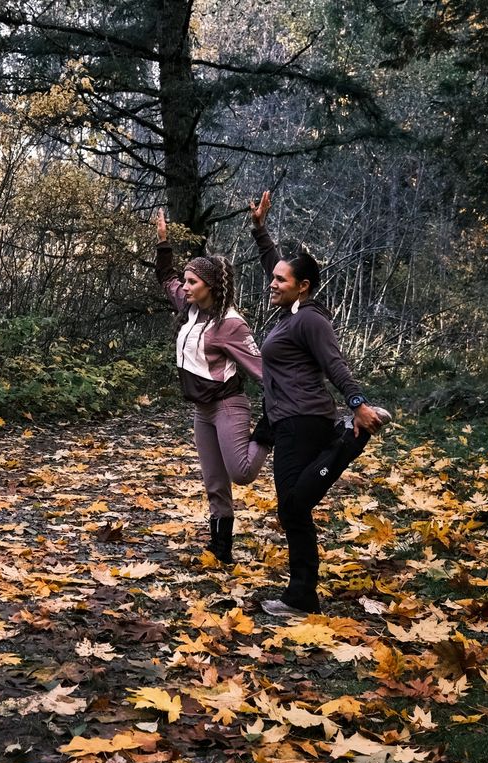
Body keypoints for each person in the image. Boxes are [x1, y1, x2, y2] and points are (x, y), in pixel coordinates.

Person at [249, 190, 392, 618]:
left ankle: (348, 442)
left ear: (303, 286)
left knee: (294, 506)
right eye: (273, 278)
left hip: (304, 420)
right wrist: (260, 231)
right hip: (289, 421)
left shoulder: (310, 319)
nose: (271, 283)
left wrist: (358, 404)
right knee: (294, 508)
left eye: (280, 280)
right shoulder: (291, 312)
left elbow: (335, 364)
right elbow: (274, 265)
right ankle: (301, 594)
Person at [151, 209, 270, 564]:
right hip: (202, 411)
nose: (184, 288)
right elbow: (165, 278)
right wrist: (163, 242)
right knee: (215, 483)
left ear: (211, 286)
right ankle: (220, 552)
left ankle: (267, 434)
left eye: (192, 283)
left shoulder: (232, 324)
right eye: (185, 282)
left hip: (228, 406)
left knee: (242, 473)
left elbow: (264, 369)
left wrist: (280, 405)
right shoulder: (188, 308)